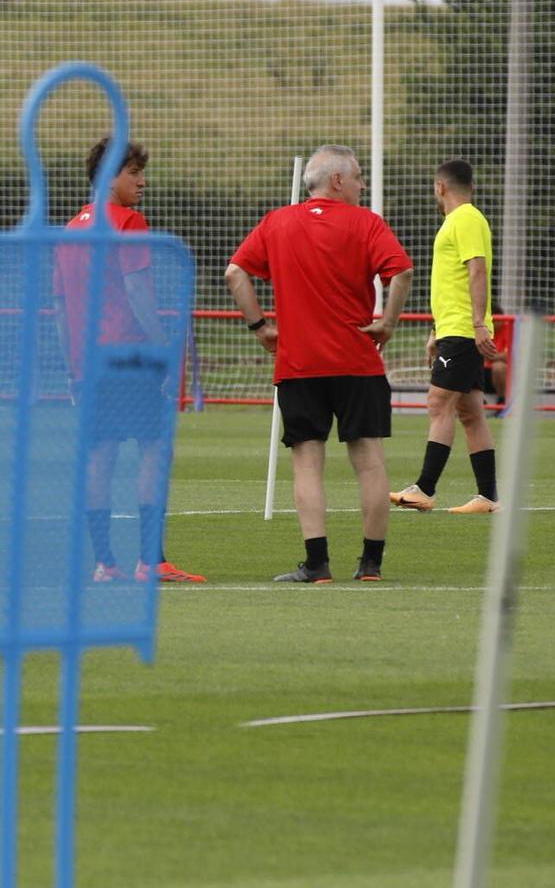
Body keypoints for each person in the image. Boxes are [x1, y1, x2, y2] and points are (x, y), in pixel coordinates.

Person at [225, 144, 413, 582]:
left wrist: (259, 327)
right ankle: (370, 565)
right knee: (369, 460)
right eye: (359, 176)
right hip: (357, 361)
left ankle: (317, 564)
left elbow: (235, 273)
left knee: (308, 462)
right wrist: (387, 323)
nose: (363, 184)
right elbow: (401, 273)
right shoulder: (367, 223)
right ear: (337, 180)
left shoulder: (277, 222)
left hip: (299, 363)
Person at [51, 136, 205, 584]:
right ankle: (150, 562)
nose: (143, 181)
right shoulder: (129, 222)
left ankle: (105, 563)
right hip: (131, 357)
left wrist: (72, 368)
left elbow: (60, 308)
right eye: (133, 173)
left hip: (89, 365)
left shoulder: (68, 230)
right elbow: (137, 291)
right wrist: (164, 346)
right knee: (155, 452)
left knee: (100, 457)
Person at [391, 159, 502, 513]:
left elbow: (477, 270)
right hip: (454, 329)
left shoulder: (466, 218)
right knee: (471, 413)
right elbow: (451, 284)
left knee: (438, 404)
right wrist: (435, 330)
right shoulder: (459, 221)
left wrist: (477, 324)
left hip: (463, 331)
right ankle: (488, 497)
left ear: (440, 186)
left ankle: (424, 488)